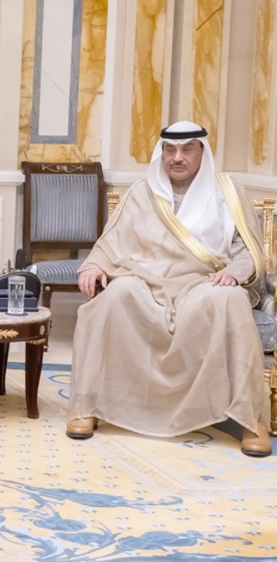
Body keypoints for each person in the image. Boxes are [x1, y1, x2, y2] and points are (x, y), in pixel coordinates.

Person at [68, 121, 272, 457]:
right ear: (161, 153)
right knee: (112, 299)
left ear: (202, 152)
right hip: (147, 281)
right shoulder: (141, 192)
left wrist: (233, 274)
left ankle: (250, 420)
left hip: (204, 281)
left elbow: (247, 251)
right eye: (170, 149)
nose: (177, 157)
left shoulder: (228, 192)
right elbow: (111, 242)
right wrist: (93, 266)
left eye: (187, 149)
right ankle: (87, 406)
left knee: (230, 300)